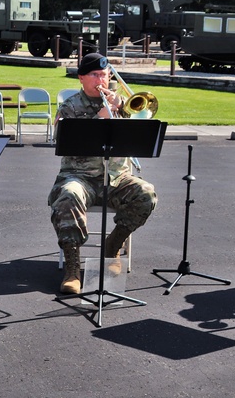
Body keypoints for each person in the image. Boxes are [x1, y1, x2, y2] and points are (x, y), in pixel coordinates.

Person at [48, 52, 158, 294]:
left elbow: (142, 135)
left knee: (146, 194)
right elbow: (62, 142)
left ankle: (113, 246)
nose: (102, 81)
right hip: (80, 176)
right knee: (68, 195)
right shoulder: (69, 107)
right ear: (81, 78)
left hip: (117, 177)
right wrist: (100, 119)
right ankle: (73, 267)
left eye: (105, 75)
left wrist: (121, 111)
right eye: (95, 75)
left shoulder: (121, 103)